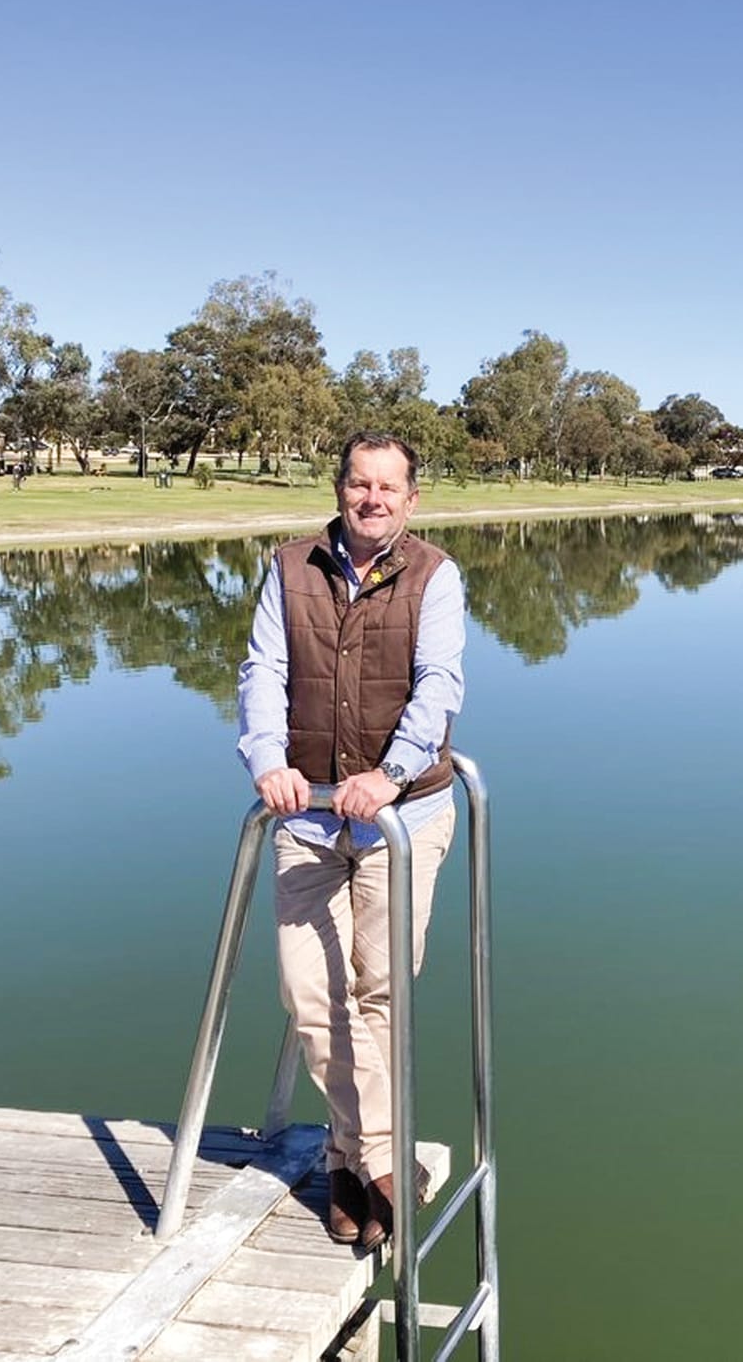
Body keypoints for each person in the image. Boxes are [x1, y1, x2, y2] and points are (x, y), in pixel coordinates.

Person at [236, 430, 466, 1249]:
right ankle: (382, 1160)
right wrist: (266, 758)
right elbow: (263, 670)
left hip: (399, 820)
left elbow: (439, 685)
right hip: (305, 816)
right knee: (310, 996)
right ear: (339, 489)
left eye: (388, 487)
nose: (372, 498)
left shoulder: (435, 575)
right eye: (359, 483)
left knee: (378, 992)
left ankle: (343, 1163)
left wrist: (392, 774)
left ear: (412, 500)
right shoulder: (288, 566)